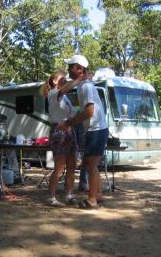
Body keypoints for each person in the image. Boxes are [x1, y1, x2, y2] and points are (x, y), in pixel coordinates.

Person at [63, 54, 109, 209]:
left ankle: (92, 200)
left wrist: (69, 122)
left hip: (96, 130)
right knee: (91, 164)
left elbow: (89, 112)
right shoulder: (82, 85)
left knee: (90, 165)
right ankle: (98, 195)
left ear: (79, 69)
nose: (68, 69)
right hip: (94, 129)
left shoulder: (87, 87)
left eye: (71, 66)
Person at [40, 70, 90, 207]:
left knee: (72, 166)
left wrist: (89, 109)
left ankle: (69, 195)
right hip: (59, 131)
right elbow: (65, 89)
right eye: (63, 78)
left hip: (70, 130)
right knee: (59, 167)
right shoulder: (53, 94)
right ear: (55, 81)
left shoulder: (65, 98)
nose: (66, 80)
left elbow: (74, 115)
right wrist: (79, 79)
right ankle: (50, 197)